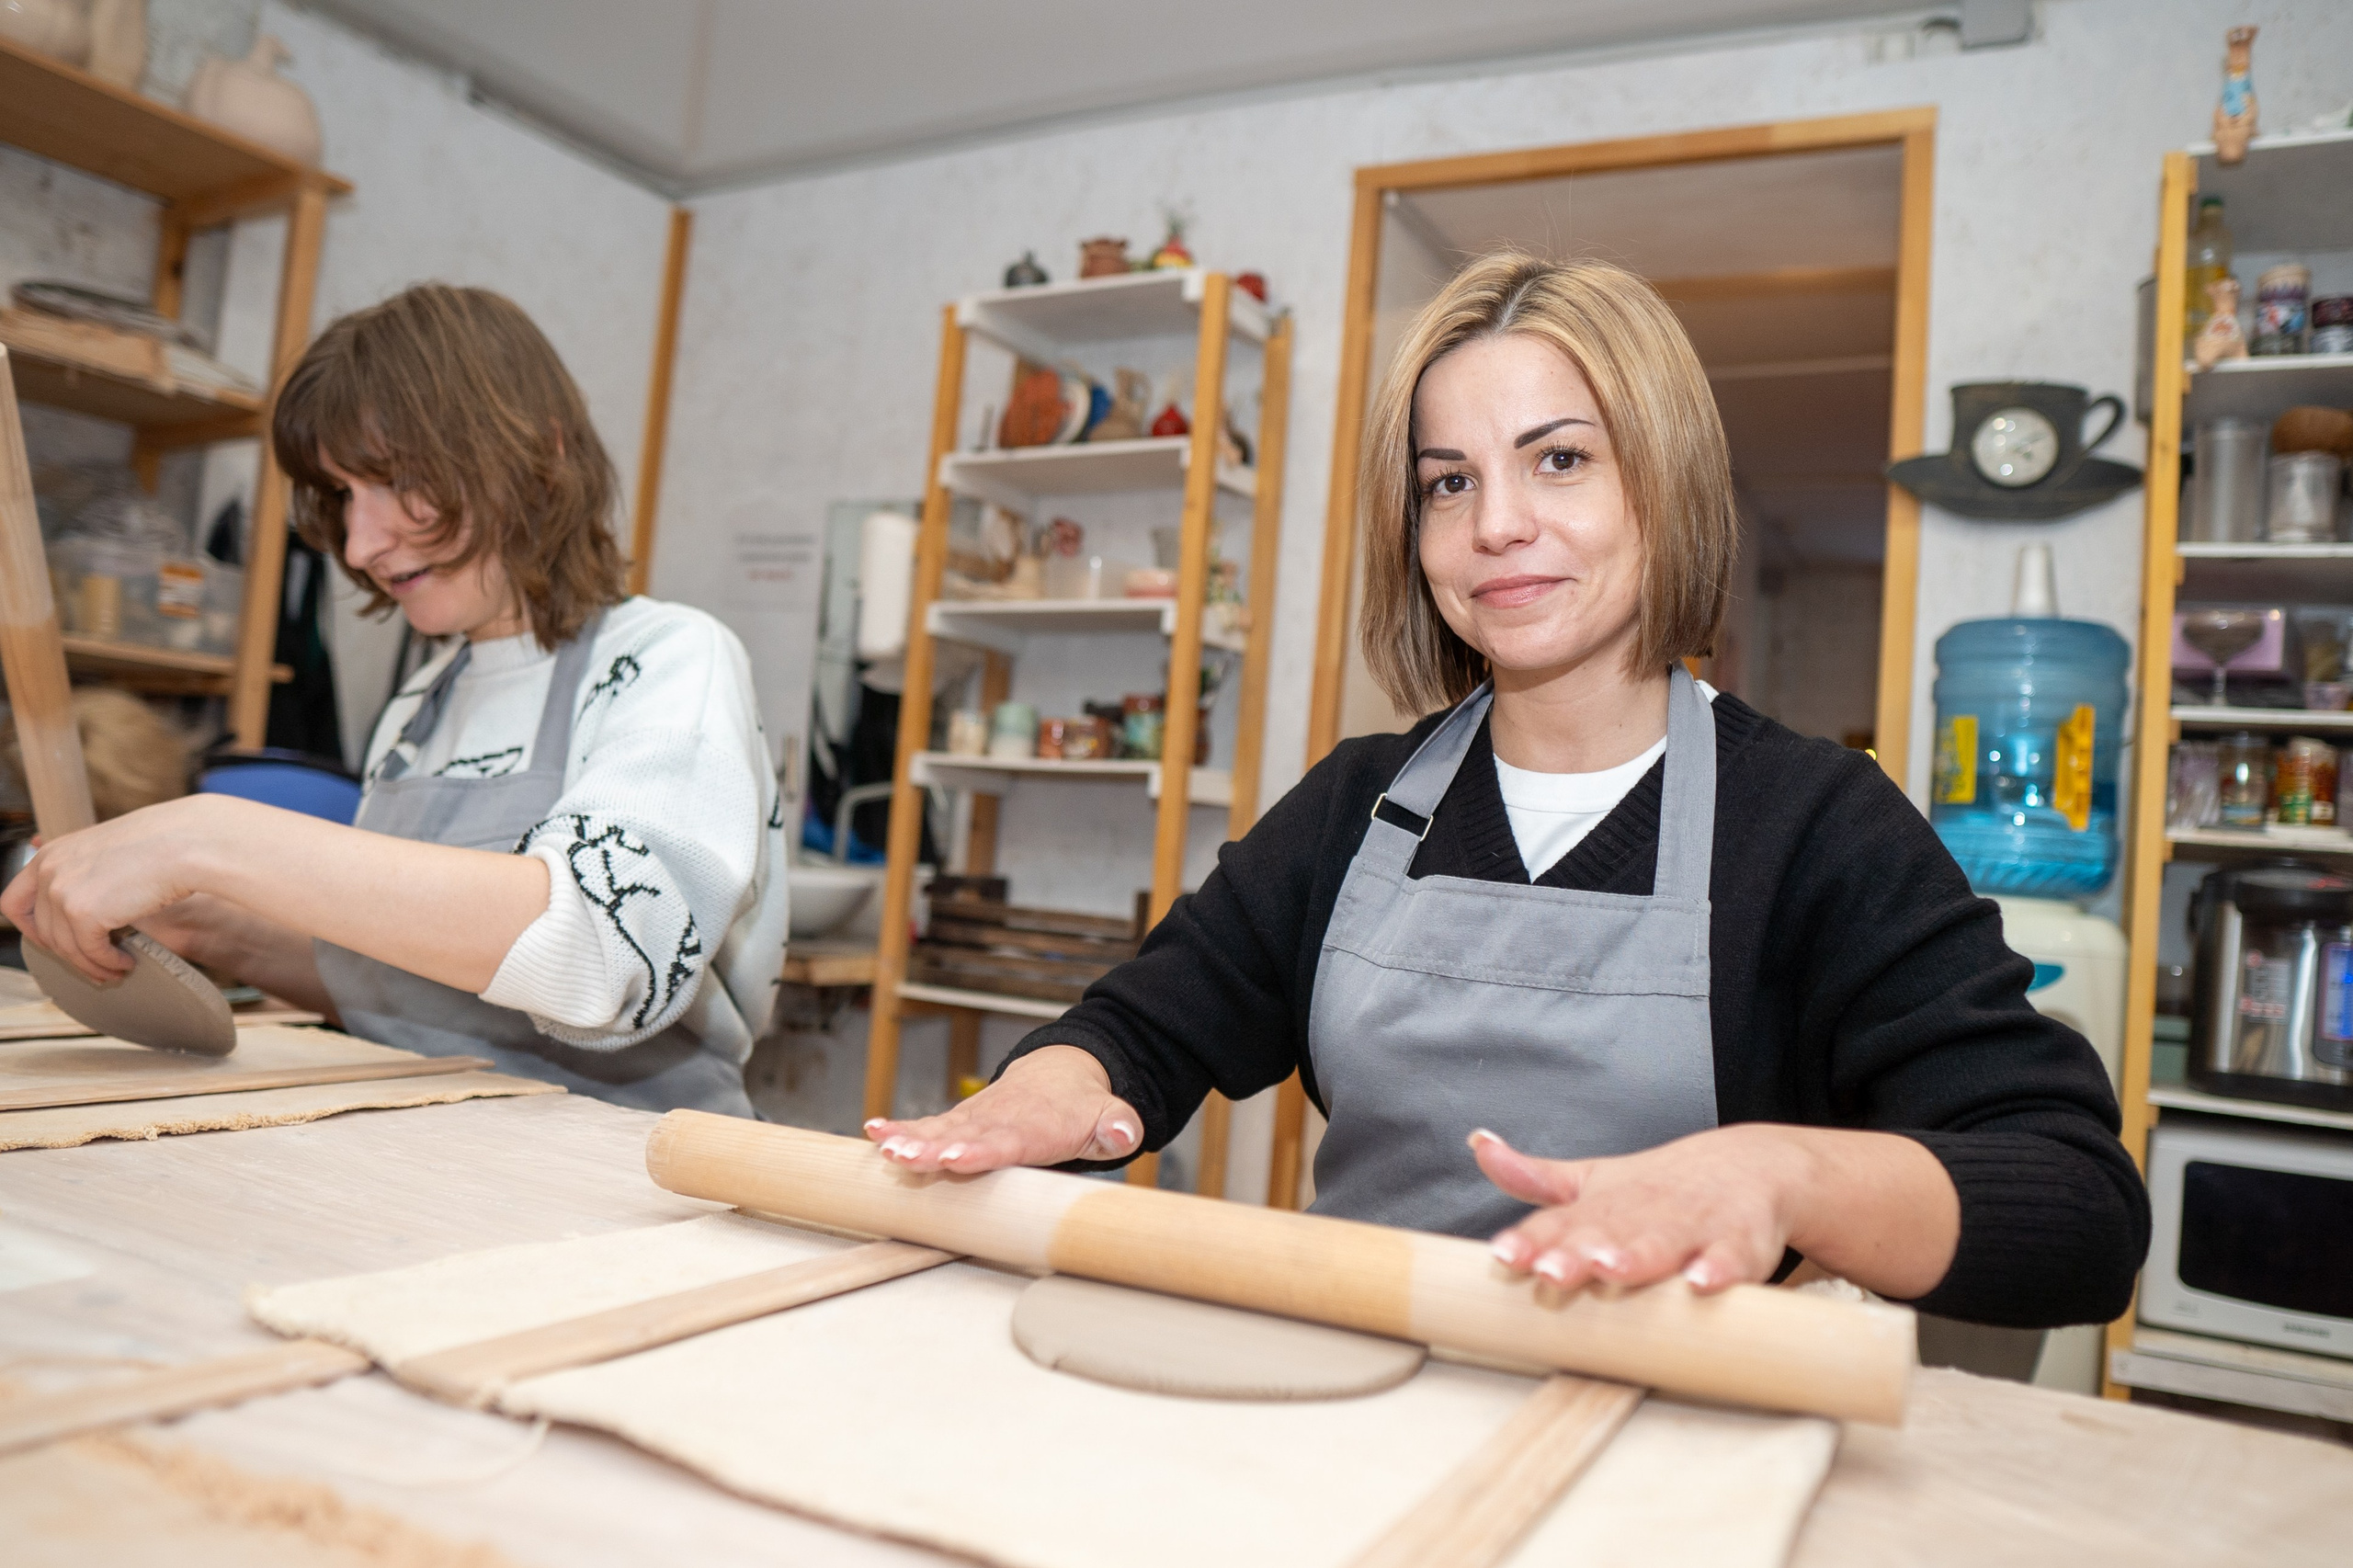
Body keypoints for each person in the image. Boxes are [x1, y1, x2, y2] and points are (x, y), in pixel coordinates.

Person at [863, 253, 2148, 1326]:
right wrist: (1051, 1086)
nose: (1495, 526)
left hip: (1655, 1459)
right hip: (1352, 1408)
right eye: (1450, 482)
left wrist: (1786, 1174)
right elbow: (1143, 1030)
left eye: (1562, 461)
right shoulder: (1359, 804)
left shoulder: (1815, 828)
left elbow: (2079, 1205)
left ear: (1666, 480)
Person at [2, 285, 788, 1116]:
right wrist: (215, 928)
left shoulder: (668, 658)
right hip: (432, 1146)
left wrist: (206, 836)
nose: (360, 543)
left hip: (634, 1174)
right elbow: (413, 1001)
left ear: (540, 454)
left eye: (397, 481)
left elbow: (606, 957)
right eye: (342, 495)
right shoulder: (424, 701)